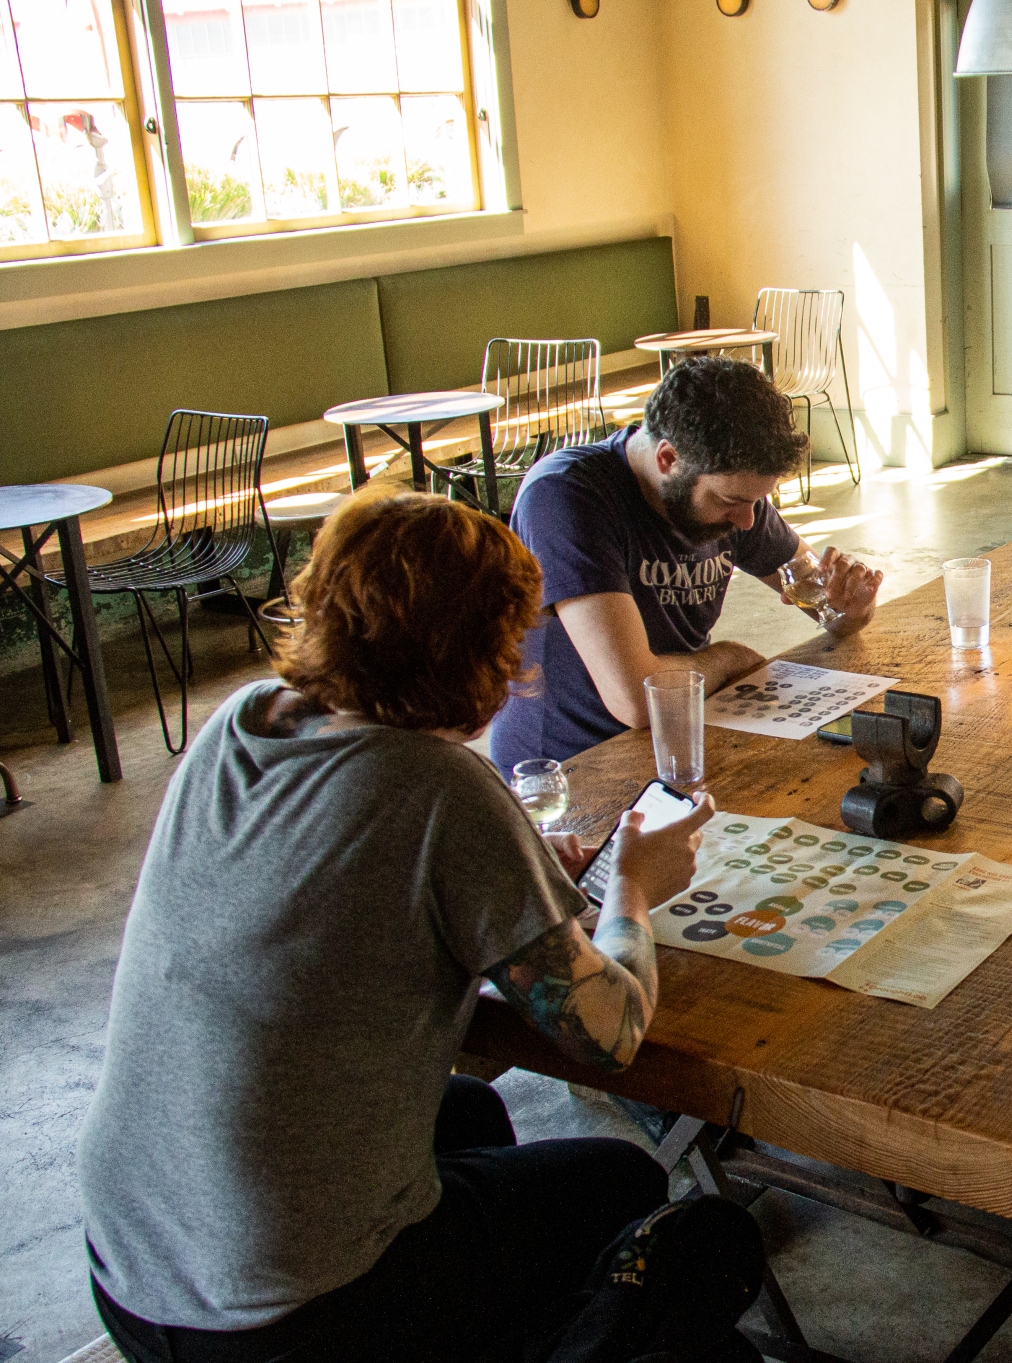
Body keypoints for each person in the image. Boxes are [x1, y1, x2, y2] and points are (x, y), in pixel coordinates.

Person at [77, 493, 766, 1363]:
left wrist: (504, 885)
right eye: (515, 645)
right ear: (472, 652)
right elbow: (610, 1036)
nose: (528, 672)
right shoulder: (439, 787)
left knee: (469, 1110)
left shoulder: (243, 720)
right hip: (291, 1319)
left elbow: (341, 895)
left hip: (134, 1269)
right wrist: (632, 887)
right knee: (624, 1182)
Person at [491, 356, 883, 774]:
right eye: (732, 502)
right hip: (573, 766)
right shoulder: (566, 496)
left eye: (757, 501)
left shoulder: (731, 495)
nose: (748, 521)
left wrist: (850, 607)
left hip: (679, 732)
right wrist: (728, 657)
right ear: (668, 459)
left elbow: (821, 600)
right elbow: (638, 698)